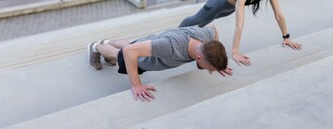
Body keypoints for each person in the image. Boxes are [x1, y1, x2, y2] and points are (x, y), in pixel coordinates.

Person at [179, 0, 302, 66]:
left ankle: (189, 33)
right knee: (197, 20)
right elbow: (239, 23)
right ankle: (176, 33)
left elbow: (279, 15)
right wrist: (235, 52)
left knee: (203, 24)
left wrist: (286, 37)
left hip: (229, 9)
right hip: (216, 4)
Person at [87, 24, 232, 102]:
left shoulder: (206, 37)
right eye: (210, 69)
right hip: (141, 59)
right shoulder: (170, 47)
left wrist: (218, 63)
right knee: (119, 54)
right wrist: (136, 85)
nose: (211, 71)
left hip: (149, 43)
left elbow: (213, 28)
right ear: (199, 57)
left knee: (130, 44)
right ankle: (95, 47)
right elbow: (130, 52)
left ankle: (106, 41)